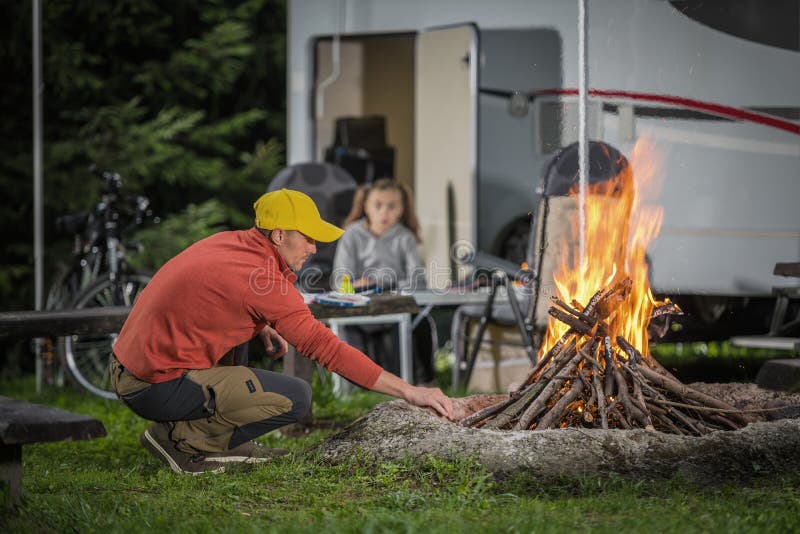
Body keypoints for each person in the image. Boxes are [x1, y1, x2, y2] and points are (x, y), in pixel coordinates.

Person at [109, 188, 453, 475]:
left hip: (130, 367)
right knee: (296, 397)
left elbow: (218, 299)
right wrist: (409, 391)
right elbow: (327, 349)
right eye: (307, 238)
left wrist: (261, 327)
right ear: (279, 235)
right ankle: (184, 442)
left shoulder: (232, 244)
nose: (314, 248)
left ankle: (205, 437)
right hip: (152, 384)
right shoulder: (264, 281)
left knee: (245, 343)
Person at [333, 178, 436, 384]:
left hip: (395, 302)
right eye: (378, 205)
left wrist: (393, 286)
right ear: (366, 207)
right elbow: (340, 280)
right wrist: (358, 285)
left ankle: (423, 379)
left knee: (422, 320)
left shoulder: (404, 237)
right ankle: (354, 383)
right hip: (360, 304)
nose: (384, 212)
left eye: (391, 206)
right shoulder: (352, 236)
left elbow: (417, 279)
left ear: (401, 209)